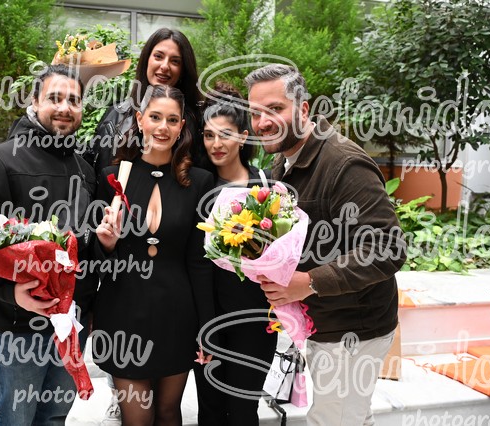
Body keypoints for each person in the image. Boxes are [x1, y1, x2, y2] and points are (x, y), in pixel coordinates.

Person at [244, 64, 407, 426]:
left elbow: (387, 247)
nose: (263, 122)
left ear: (303, 110)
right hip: (322, 322)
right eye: (255, 113)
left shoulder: (343, 164)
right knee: (350, 417)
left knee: (333, 419)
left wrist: (309, 282)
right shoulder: (284, 161)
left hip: (353, 329)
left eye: (274, 109)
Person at [0, 64, 98, 426]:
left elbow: (85, 248)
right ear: (34, 102)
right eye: (55, 98)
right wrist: (12, 293)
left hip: (68, 326)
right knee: (15, 419)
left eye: (73, 100)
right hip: (13, 328)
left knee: (54, 418)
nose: (65, 107)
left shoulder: (84, 170)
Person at [93, 85, 214, 425]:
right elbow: (95, 260)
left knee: (168, 412)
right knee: (137, 417)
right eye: (155, 117)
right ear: (139, 119)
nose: (163, 127)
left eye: (172, 120)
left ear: (181, 127)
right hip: (123, 314)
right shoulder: (112, 178)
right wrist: (107, 244)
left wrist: (207, 327)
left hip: (177, 315)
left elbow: (199, 262)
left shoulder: (199, 182)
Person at [193, 82, 278, 426]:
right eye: (209, 135)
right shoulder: (197, 185)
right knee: (211, 411)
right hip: (209, 317)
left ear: (243, 137)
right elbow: (193, 261)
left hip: (255, 320)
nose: (216, 144)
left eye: (225, 135)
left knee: (244, 411)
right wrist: (201, 327)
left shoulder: (266, 185)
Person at [85, 27, 204, 178]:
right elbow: (93, 173)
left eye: (175, 61)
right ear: (146, 59)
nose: (165, 66)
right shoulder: (115, 115)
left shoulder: (197, 123)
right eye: (158, 56)